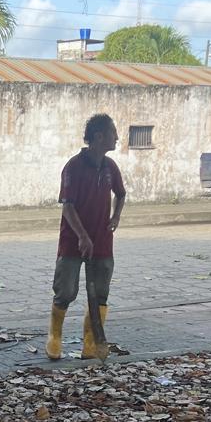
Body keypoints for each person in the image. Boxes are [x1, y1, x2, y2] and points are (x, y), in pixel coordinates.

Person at [46, 113, 126, 361]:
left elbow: (121, 194)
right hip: (73, 242)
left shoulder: (111, 167)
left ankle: (91, 343)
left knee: (100, 293)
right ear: (99, 136)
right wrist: (81, 236)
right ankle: (54, 337)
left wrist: (116, 216)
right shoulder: (73, 166)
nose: (117, 137)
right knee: (66, 291)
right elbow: (67, 206)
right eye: (113, 132)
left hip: (102, 240)